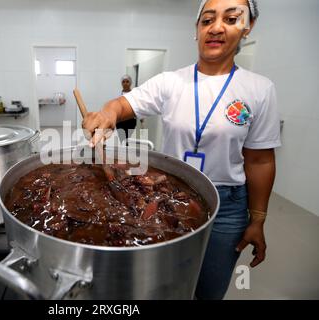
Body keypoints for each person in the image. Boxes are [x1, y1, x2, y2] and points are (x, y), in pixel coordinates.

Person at [82, 0, 281, 300]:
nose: (215, 27)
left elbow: (259, 159)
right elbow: (122, 104)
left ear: (247, 28)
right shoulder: (170, 82)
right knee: (164, 285)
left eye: (230, 19)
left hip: (227, 205)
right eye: (207, 20)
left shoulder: (259, 89)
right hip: (167, 194)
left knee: (209, 289)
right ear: (196, 29)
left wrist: (258, 219)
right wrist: (108, 114)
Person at [116, 75, 137, 143]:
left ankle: (125, 151)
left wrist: (142, 121)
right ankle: (122, 151)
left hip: (131, 120)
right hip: (120, 120)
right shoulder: (118, 95)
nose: (125, 83)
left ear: (130, 83)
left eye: (127, 81)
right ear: (121, 83)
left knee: (127, 138)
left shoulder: (134, 94)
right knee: (122, 138)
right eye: (123, 82)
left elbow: (138, 106)